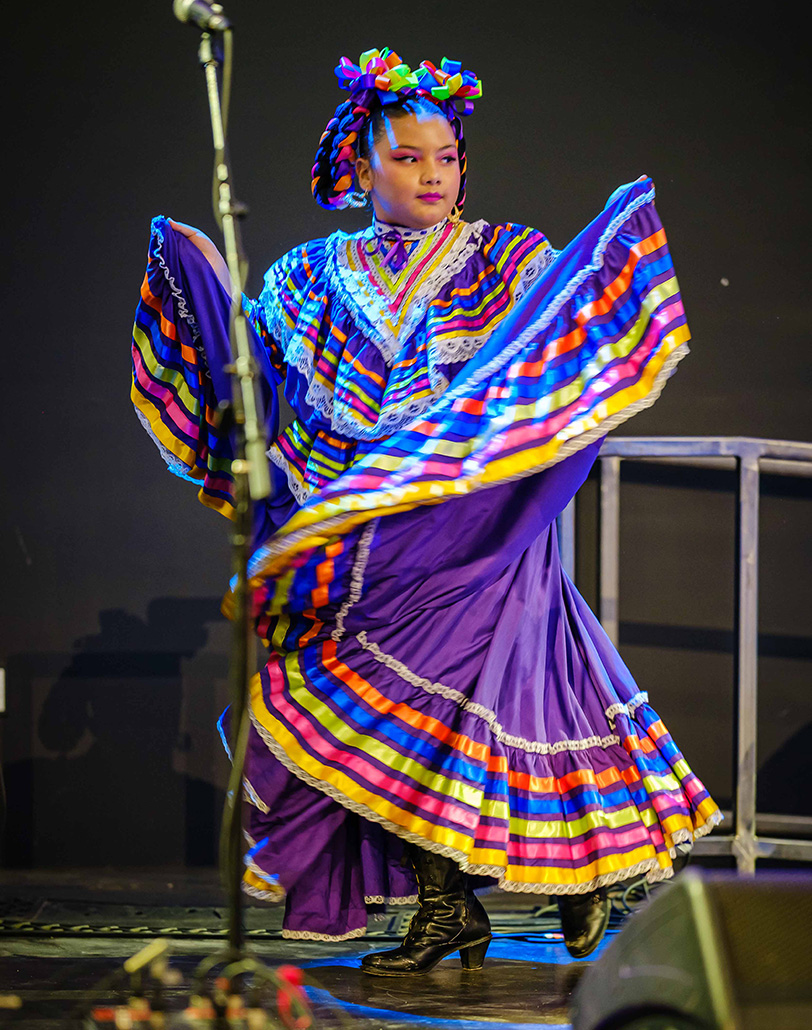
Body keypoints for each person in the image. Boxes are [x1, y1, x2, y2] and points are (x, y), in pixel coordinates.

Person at [131, 48, 721, 974]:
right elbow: (274, 391)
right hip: (374, 535)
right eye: (407, 158)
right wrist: (208, 295)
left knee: (496, 700)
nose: (431, 175)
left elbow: (559, 357)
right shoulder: (309, 276)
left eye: (444, 156)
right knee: (372, 716)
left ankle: (561, 879)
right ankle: (459, 906)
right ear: (360, 166)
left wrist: (609, 253)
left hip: (480, 530)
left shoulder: (511, 258)